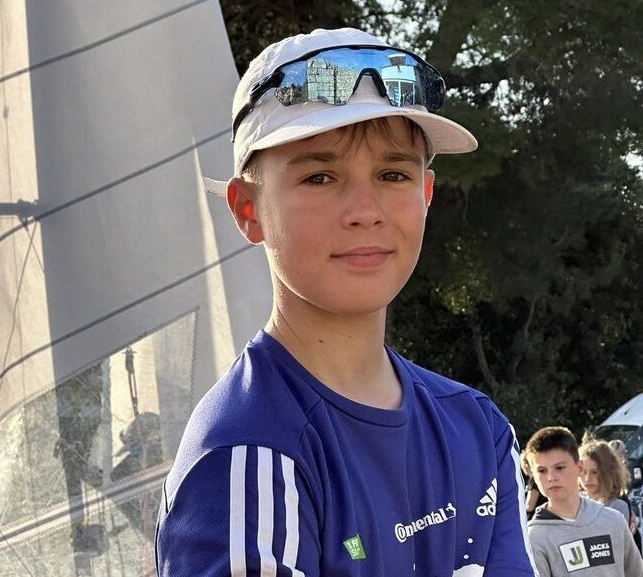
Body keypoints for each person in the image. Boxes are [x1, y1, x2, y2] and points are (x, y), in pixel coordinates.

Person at [156, 27, 537, 576]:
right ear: (248, 210)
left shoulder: (479, 429)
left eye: (392, 174)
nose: (365, 210)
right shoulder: (248, 455)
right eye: (320, 177)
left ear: (426, 195)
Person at [526, 426, 642, 576]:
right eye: (542, 471)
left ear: (579, 467)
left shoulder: (613, 520)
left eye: (559, 468)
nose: (551, 477)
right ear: (533, 476)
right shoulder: (534, 537)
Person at [580, 439, 641, 549]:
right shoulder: (578, 501)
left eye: (594, 472)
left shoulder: (617, 505)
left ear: (607, 472)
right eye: (583, 472)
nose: (587, 479)